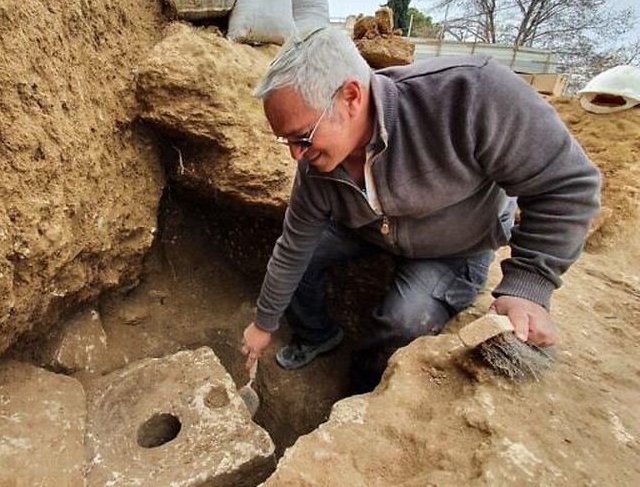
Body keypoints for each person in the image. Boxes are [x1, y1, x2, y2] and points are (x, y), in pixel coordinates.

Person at [240, 26, 600, 393]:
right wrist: (263, 324)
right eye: (286, 140)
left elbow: (567, 184)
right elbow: (293, 247)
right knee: (305, 259)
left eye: (302, 137)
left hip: (454, 247)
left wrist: (528, 285)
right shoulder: (316, 164)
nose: (295, 155)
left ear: (350, 96)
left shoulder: (470, 96)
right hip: (367, 228)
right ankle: (317, 335)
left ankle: (363, 389)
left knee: (403, 322)